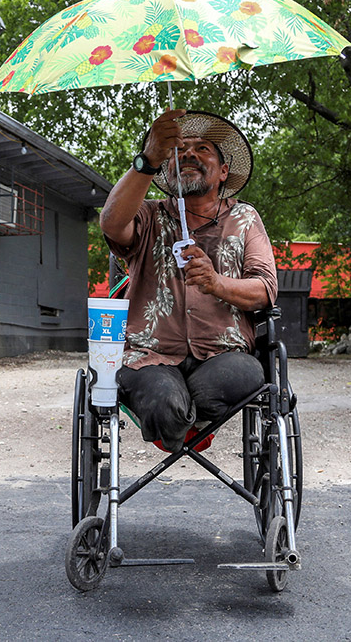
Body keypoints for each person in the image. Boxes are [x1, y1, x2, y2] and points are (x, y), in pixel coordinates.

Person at [100, 109, 278, 452]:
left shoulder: (244, 218)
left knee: (245, 376)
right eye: (178, 152)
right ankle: (178, 418)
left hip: (225, 354)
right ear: (166, 170)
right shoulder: (149, 214)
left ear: (224, 171)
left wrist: (216, 282)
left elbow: (265, 290)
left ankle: (185, 419)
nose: (189, 154)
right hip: (150, 355)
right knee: (164, 401)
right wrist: (148, 158)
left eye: (203, 149)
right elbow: (110, 224)